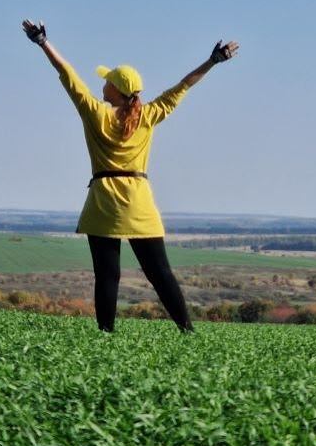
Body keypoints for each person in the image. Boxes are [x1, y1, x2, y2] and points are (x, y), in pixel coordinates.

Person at [21, 18, 239, 333]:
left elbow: (66, 73)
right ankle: (188, 331)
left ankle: (106, 334)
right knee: (161, 272)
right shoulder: (148, 115)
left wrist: (42, 42)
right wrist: (213, 61)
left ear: (116, 90)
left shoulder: (95, 112)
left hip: (104, 202)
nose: (103, 83)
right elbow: (183, 86)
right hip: (139, 202)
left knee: (108, 275)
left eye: (108, 80)